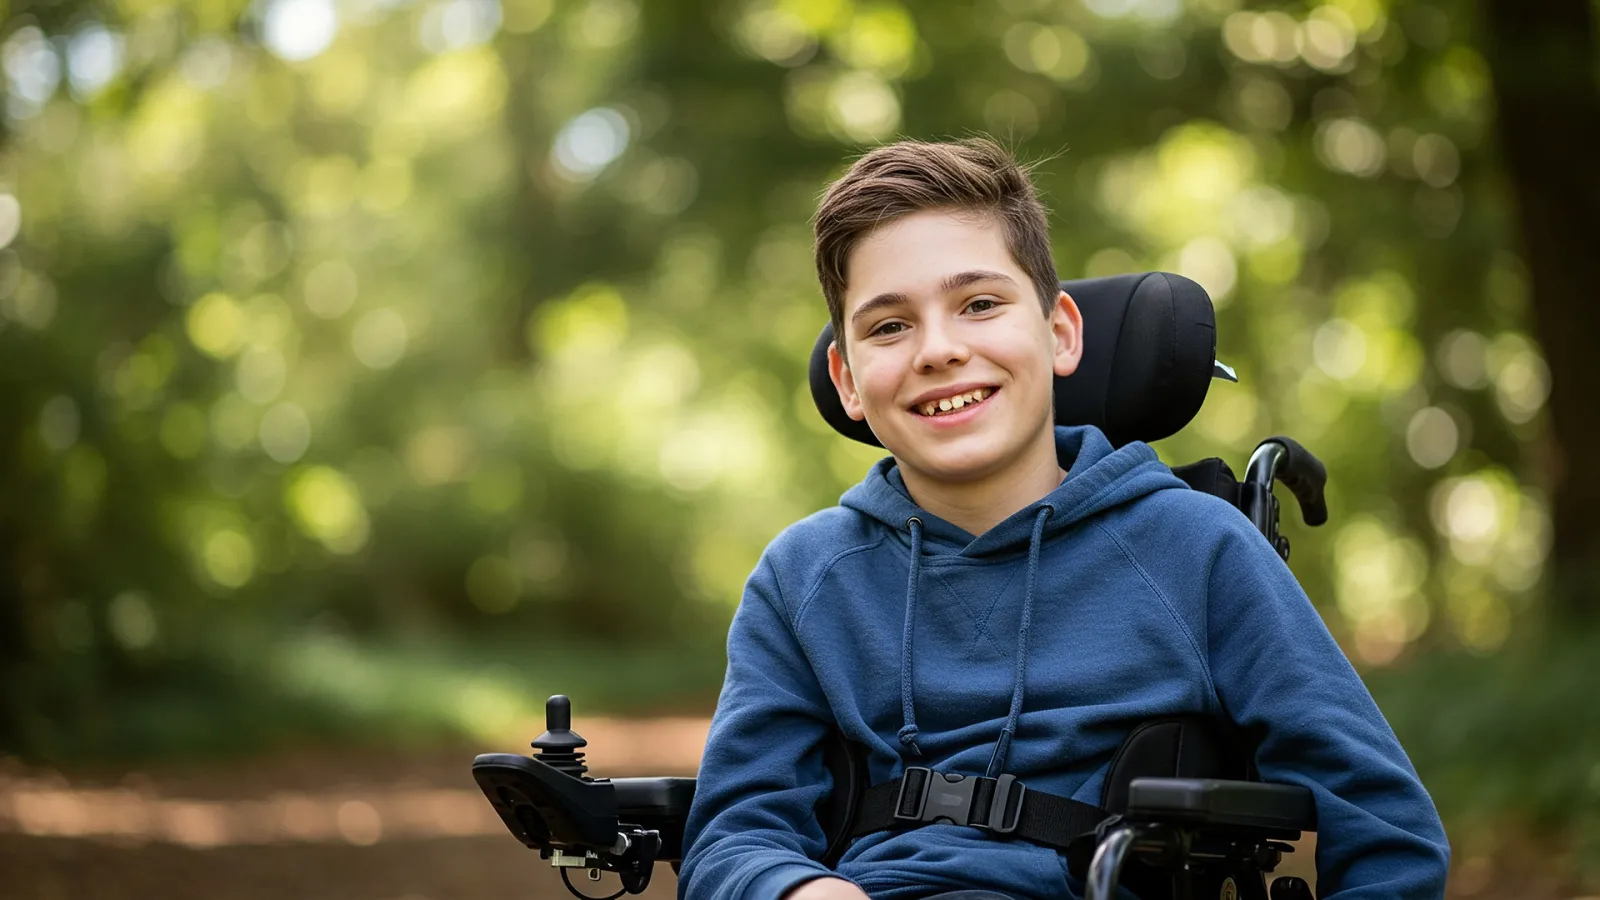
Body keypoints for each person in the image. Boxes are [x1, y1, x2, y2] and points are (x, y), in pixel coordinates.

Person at [678, 137, 1449, 900]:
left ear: (1060, 332)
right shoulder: (804, 578)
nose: (939, 350)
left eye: (979, 304)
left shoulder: (1196, 550)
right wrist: (795, 891)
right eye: (888, 326)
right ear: (846, 379)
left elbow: (1388, 832)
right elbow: (733, 837)